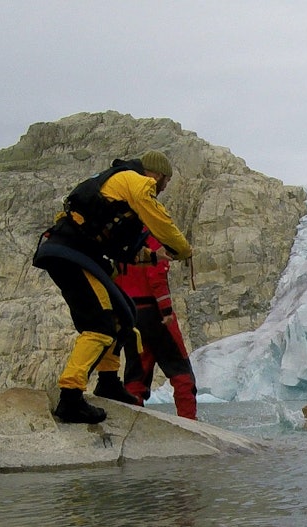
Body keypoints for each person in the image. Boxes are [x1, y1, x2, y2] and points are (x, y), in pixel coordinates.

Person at [33, 151, 193, 424]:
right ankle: (70, 397)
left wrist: (155, 256)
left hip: (78, 253)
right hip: (70, 253)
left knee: (123, 313)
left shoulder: (119, 191)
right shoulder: (136, 181)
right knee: (99, 325)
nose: (163, 187)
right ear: (157, 174)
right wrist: (181, 249)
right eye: (165, 180)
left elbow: (123, 250)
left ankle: (108, 382)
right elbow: (161, 222)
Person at [115, 230, 198, 420]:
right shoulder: (150, 236)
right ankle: (189, 423)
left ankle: (131, 421)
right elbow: (156, 274)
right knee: (180, 371)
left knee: (137, 373)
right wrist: (166, 310)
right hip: (155, 312)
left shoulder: (119, 239)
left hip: (130, 313)